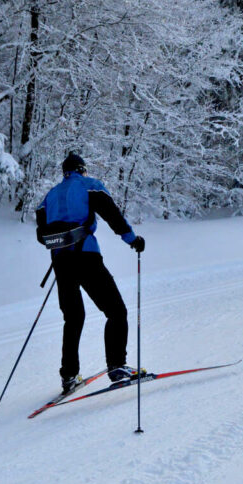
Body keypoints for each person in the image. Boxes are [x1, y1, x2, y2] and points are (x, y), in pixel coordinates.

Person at [36, 152, 146, 392]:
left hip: (61, 262)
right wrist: (132, 240)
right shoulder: (90, 186)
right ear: (81, 169)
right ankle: (116, 366)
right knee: (116, 310)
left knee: (73, 318)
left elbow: (40, 234)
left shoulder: (49, 196)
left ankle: (69, 376)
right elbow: (113, 216)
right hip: (86, 256)